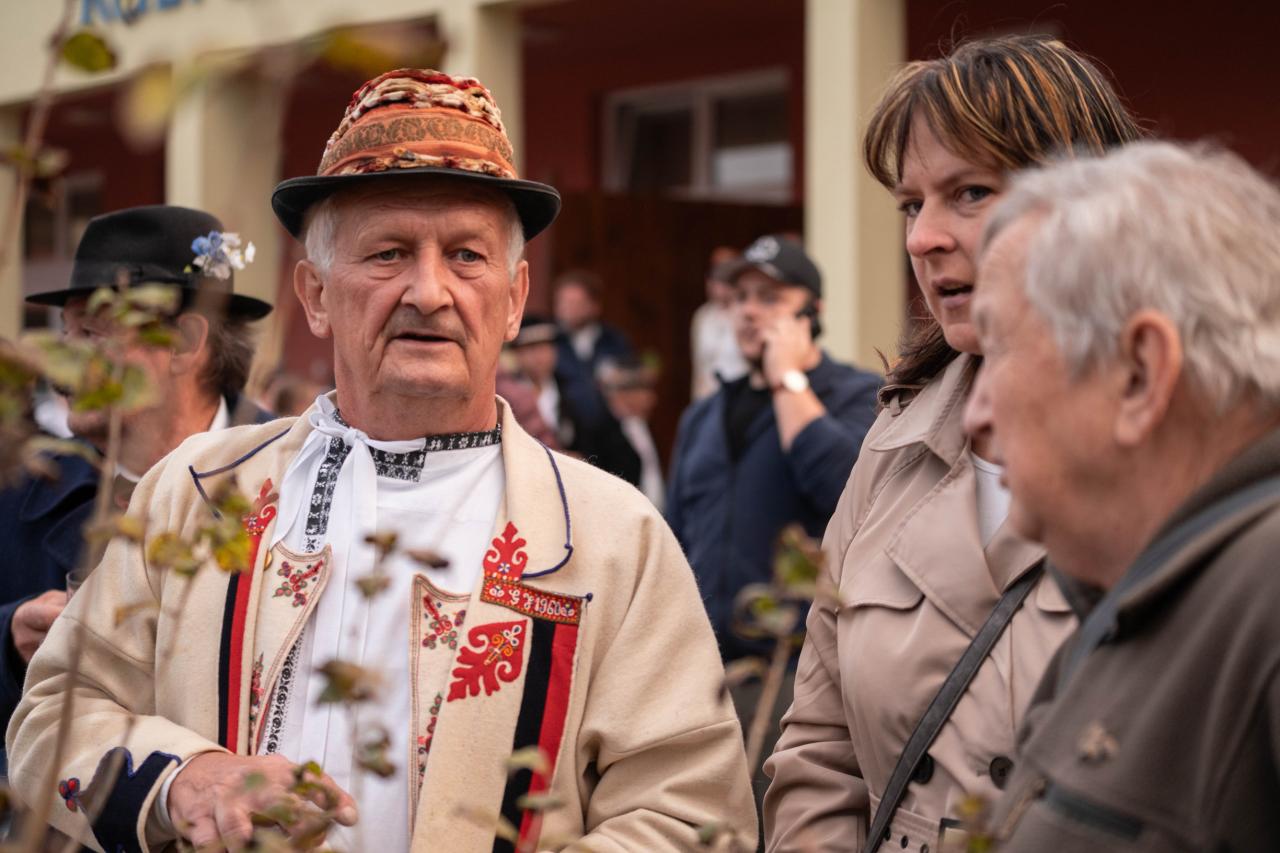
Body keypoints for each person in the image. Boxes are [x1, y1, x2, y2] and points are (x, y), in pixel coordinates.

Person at [7, 69, 755, 853]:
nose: (429, 291)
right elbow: (53, 715)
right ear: (315, 295)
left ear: (513, 299)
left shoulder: (611, 537)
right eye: (389, 253)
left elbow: (695, 818)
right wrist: (184, 779)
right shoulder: (196, 492)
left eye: (465, 255)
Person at [764, 36, 1143, 853]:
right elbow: (819, 748)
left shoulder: (1203, 451)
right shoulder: (892, 445)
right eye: (911, 204)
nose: (923, 238)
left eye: (970, 193)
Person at [966, 141, 1280, 852]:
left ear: (1139, 374)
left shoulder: (1262, 594)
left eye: (996, 349)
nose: (974, 414)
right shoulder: (1144, 595)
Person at [0, 205, 273, 767]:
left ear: (183, 342)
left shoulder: (295, 481)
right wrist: (9, 640)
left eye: (90, 332)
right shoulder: (22, 487)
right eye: (64, 331)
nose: (59, 365)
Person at [666, 233, 881, 660]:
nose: (748, 311)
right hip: (706, 666)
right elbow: (674, 540)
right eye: (740, 297)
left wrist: (786, 379)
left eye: (769, 298)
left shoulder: (857, 396)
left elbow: (845, 493)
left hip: (802, 664)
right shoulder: (703, 416)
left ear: (812, 312)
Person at [595, 354, 664, 509]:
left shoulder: (640, 425)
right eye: (644, 390)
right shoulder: (603, 433)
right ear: (626, 393)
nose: (651, 399)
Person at [690, 247, 748, 400]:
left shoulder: (746, 313)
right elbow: (700, 368)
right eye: (715, 276)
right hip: (709, 399)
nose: (719, 284)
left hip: (739, 398)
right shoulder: (703, 316)